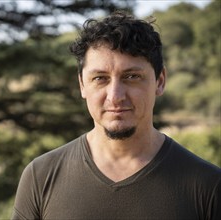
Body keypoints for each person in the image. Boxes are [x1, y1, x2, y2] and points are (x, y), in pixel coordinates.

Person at [12, 11, 221, 220]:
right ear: (82, 85)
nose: (115, 96)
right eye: (100, 78)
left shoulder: (209, 185)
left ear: (160, 80)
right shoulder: (40, 176)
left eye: (132, 77)